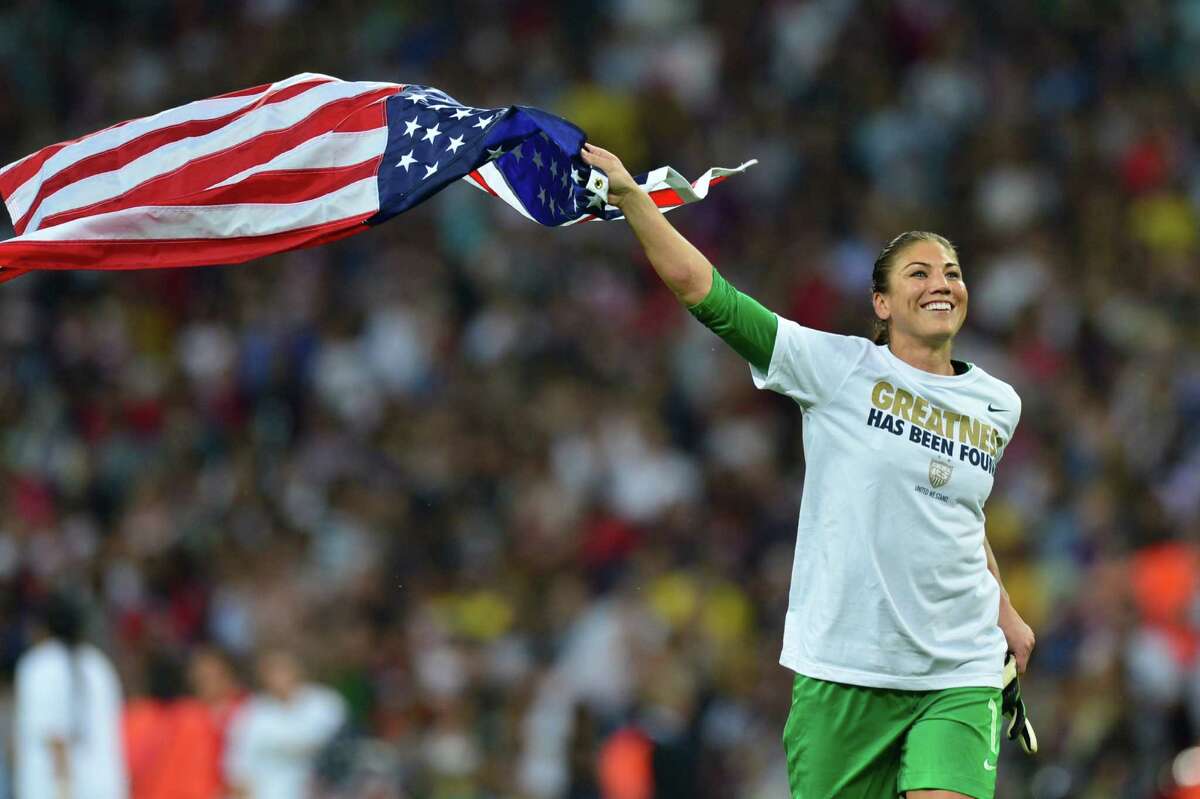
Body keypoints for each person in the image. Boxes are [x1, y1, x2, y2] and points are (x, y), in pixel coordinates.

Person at [578, 143, 1037, 799]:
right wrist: (630, 197)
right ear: (881, 302)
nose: (942, 282)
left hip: (956, 666)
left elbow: (958, 510)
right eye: (918, 272)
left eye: (952, 271)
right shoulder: (837, 368)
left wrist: (1006, 610)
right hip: (843, 668)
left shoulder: (998, 402)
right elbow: (703, 290)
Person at [13, 592, 128, 799]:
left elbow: (56, 738)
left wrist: (63, 793)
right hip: (106, 788)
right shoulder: (99, 665)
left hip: (60, 791)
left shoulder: (40, 666)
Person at [224, 648, 346, 799]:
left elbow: (333, 747)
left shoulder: (325, 703)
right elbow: (238, 762)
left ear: (299, 671)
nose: (279, 676)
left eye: (284, 669)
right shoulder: (252, 712)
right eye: (272, 671)